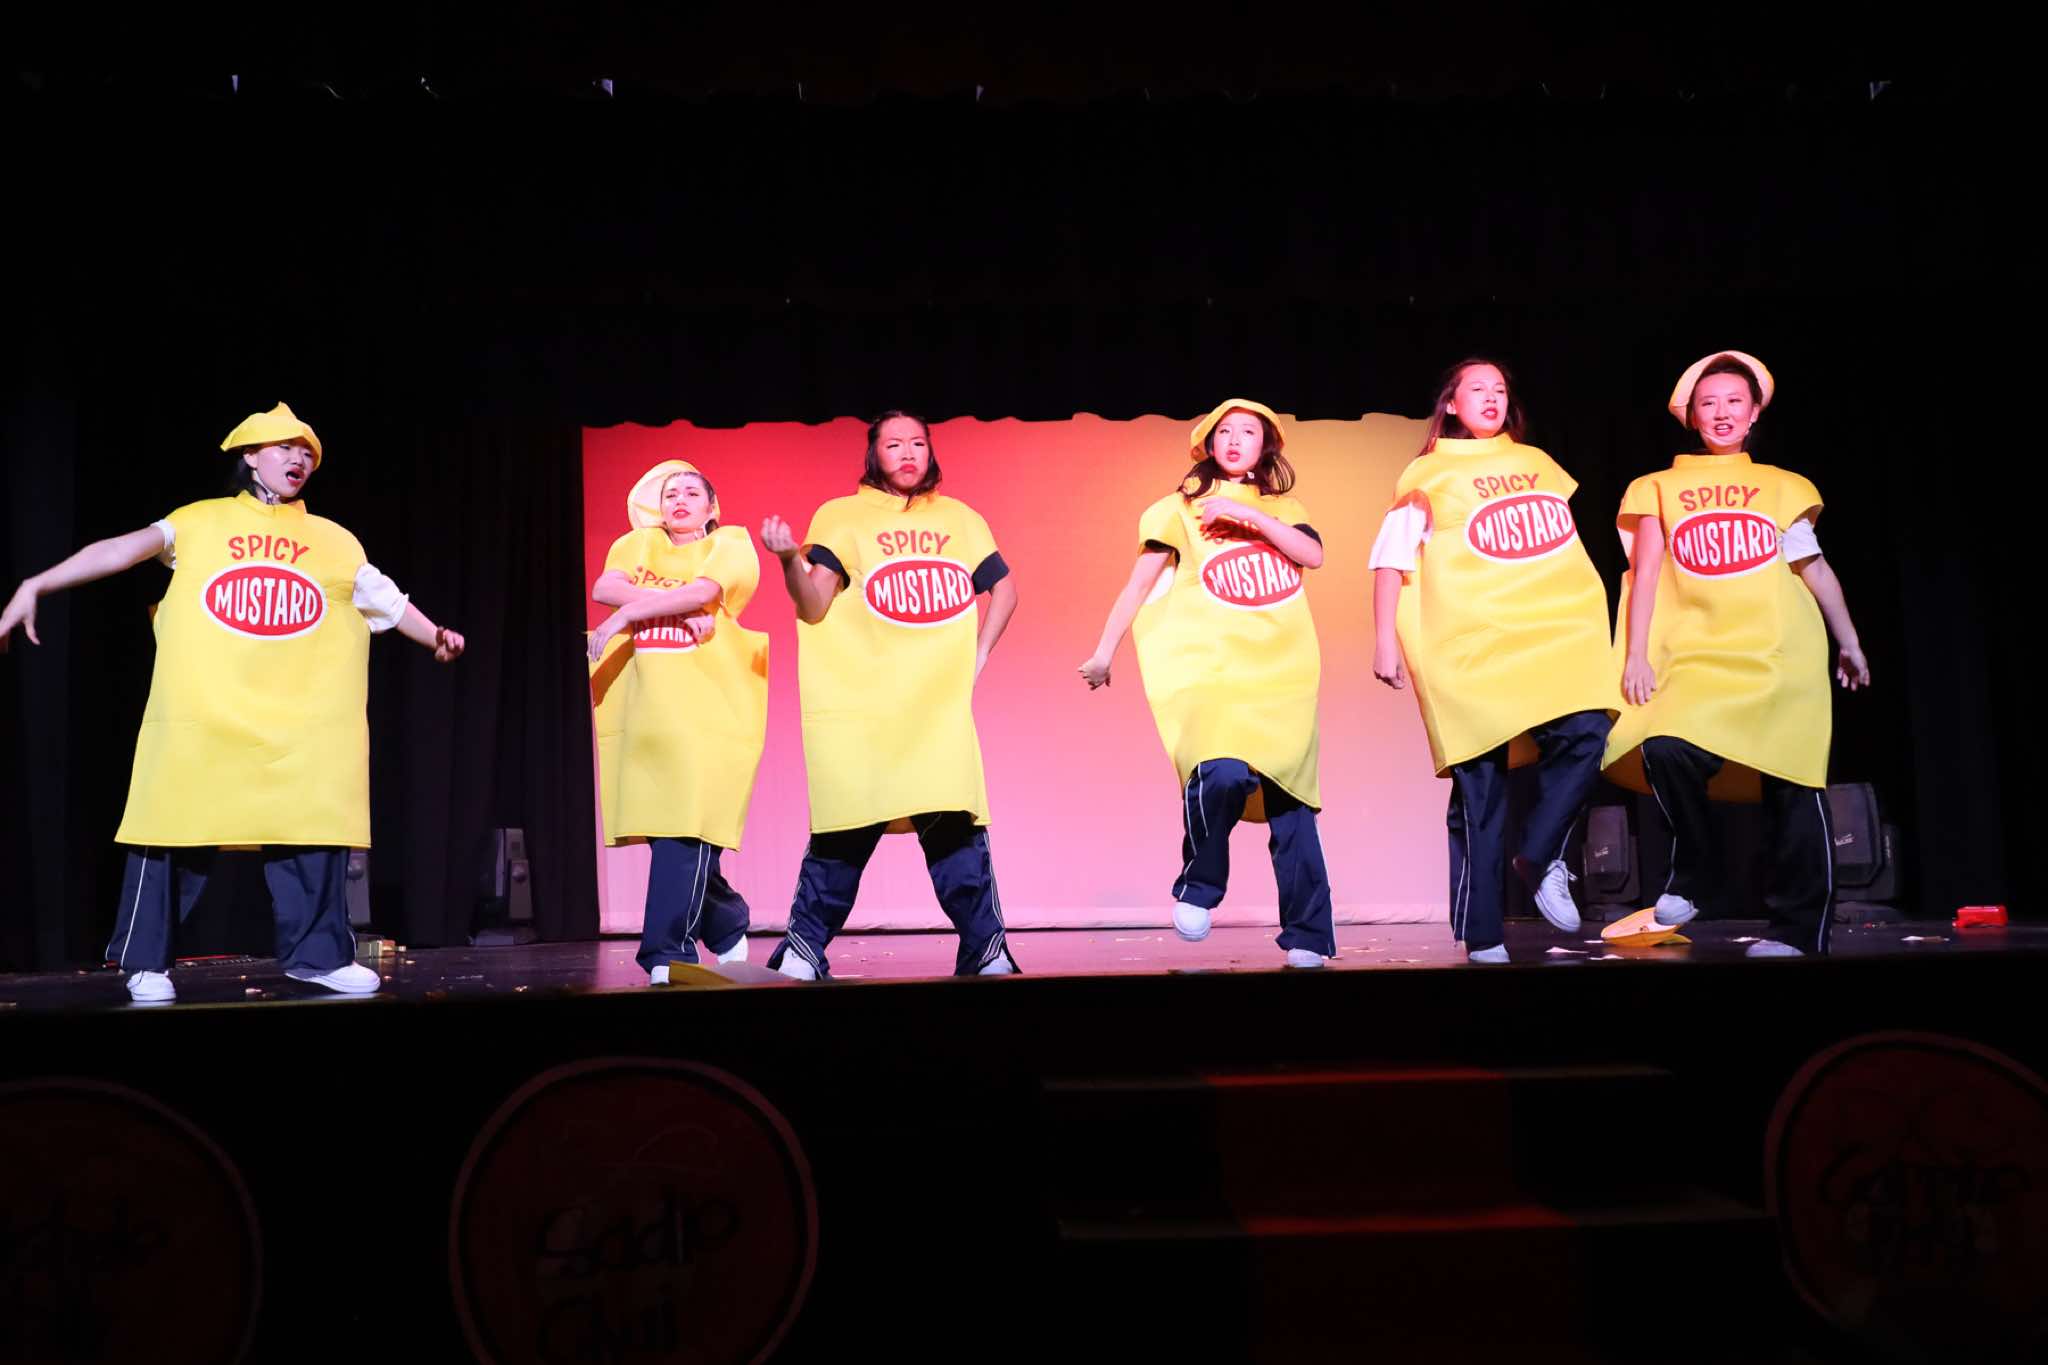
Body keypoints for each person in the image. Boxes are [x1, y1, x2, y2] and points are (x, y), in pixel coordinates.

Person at [0, 402, 465, 1002]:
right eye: (284, 447)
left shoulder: (334, 541)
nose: (298, 459)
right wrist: (37, 582)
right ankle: (145, 961)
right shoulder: (199, 522)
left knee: (314, 827)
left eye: (307, 452)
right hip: (208, 715)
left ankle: (319, 957)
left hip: (301, 724)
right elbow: (121, 549)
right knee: (172, 827)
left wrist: (436, 637)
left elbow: (390, 602)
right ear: (250, 456)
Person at [1604, 351, 1871, 957]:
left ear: (1754, 414)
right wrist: (1636, 654)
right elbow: (1646, 574)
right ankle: (1698, 868)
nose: (1722, 412)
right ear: (1692, 416)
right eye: (1709, 403)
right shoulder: (1658, 487)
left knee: (1792, 783)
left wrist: (1849, 640)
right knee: (1665, 747)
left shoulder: (1781, 486)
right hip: (1698, 655)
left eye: (1734, 402)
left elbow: (1813, 567)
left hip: (1777, 653)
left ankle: (1798, 931)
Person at [1369, 360, 1617, 962]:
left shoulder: (1537, 464)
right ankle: (1484, 934)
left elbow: (1560, 547)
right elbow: (1391, 558)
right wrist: (1384, 639)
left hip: (1548, 633)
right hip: (1472, 642)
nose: (1491, 398)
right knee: (1481, 790)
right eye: (1476, 389)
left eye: (1500, 389)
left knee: (1588, 730)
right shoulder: (1428, 472)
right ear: (1451, 404)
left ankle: (1537, 853)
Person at [758, 411, 1020, 980]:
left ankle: (987, 948)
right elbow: (813, 607)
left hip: (933, 712)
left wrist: (979, 655)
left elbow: (1004, 588)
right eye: (894, 443)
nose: (907, 453)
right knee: (845, 828)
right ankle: (804, 948)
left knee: (954, 827)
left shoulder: (960, 518)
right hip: (863, 708)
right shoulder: (842, 515)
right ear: (873, 453)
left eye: (918, 443)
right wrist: (788, 560)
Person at [1079, 399, 1334, 969]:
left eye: (1250, 432)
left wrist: (1252, 517)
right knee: (1219, 773)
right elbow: (1137, 586)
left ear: (1266, 446)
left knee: (1293, 803)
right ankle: (1200, 884)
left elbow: (1312, 555)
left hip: (1283, 674)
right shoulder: (1176, 511)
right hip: (1212, 670)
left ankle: (1309, 934)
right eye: (1226, 431)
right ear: (1208, 443)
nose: (1237, 440)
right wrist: (1104, 651)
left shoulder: (1285, 509)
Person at [587, 460, 768, 984]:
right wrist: (663, 608)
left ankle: (668, 953)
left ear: (712, 507)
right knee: (670, 833)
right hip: (647, 710)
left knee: (685, 830)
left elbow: (704, 593)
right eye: (670, 495)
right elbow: (605, 587)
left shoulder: (730, 542)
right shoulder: (637, 544)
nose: (680, 500)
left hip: (708, 706)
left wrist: (633, 611)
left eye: (692, 492)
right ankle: (726, 920)